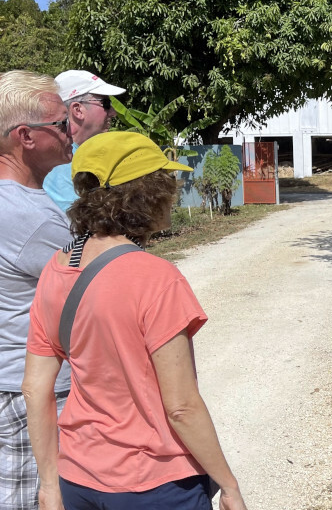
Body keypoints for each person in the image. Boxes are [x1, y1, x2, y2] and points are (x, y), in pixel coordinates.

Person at [22, 131, 247, 510]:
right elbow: (181, 407)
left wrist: (48, 485)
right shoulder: (155, 277)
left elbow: (34, 388)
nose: (174, 195)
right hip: (155, 484)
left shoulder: (56, 270)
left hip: (78, 477)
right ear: (147, 193)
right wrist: (229, 485)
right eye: (166, 184)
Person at [0, 70, 75, 510]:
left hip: (10, 372)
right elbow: (91, 278)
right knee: (41, 497)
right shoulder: (26, 215)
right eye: (62, 124)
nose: (71, 134)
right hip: (36, 385)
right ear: (26, 136)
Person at [42, 70, 125, 211]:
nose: (113, 112)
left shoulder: (74, 153)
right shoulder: (60, 163)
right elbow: (83, 224)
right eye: (105, 103)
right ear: (77, 110)